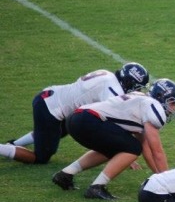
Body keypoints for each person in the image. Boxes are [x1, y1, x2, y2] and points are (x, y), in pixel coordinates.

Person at [51, 78, 175, 200]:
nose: (173, 108)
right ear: (160, 96)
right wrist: (168, 183)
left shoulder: (142, 100)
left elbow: (147, 148)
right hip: (88, 120)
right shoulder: (153, 106)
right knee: (132, 148)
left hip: (77, 118)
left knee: (121, 147)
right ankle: (96, 187)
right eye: (172, 102)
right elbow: (157, 151)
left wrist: (159, 177)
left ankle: (65, 175)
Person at [0, 63, 149, 164]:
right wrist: (124, 150)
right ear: (130, 82)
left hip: (51, 96)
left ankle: (14, 144)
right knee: (40, 158)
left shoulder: (108, 75)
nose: (138, 91)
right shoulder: (112, 91)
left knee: (57, 131)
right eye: (138, 87)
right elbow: (114, 122)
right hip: (51, 109)